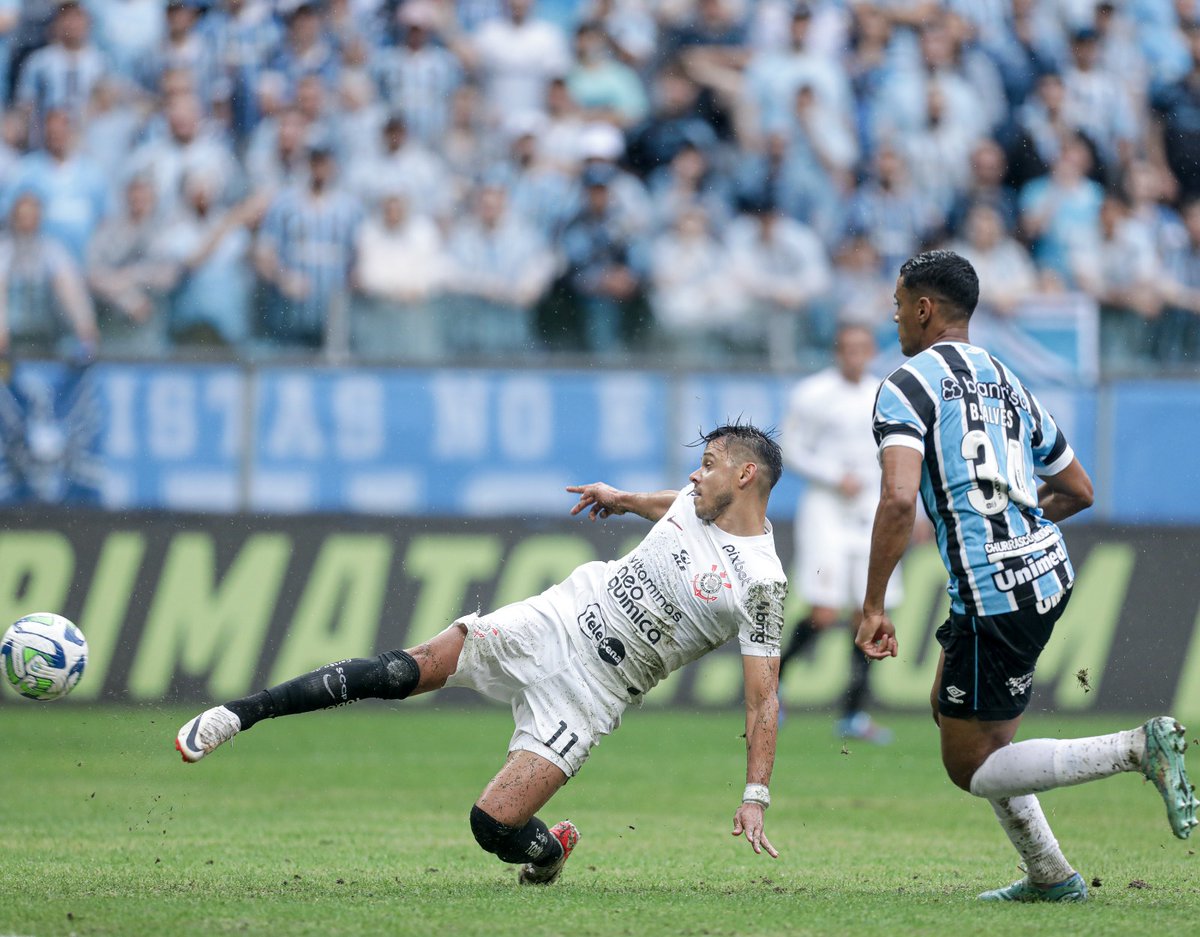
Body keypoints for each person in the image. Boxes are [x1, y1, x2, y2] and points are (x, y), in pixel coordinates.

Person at [176, 424, 789, 883]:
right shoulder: (698, 499)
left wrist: (754, 796)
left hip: (594, 694)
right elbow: (671, 506)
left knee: (492, 826)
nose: (692, 477)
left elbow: (764, 699)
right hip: (556, 621)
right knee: (404, 670)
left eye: (706, 465)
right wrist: (621, 497)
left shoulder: (761, 583)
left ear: (743, 478)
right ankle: (241, 714)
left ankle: (547, 853)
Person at [857, 249, 1197, 903]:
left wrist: (873, 604)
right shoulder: (1006, 378)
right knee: (951, 709)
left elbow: (898, 500)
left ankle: (1137, 747)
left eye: (898, 303)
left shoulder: (906, 384)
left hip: (992, 586)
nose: (894, 315)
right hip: (1043, 569)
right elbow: (1078, 487)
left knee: (971, 764)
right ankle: (1049, 875)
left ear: (924, 309)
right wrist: (1014, 518)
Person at [778, 323, 899, 743]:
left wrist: (910, 509)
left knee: (866, 613)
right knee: (823, 612)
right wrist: (833, 476)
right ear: (837, 351)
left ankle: (853, 714)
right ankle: (774, 681)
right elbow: (791, 448)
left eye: (862, 348)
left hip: (869, 507)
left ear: (871, 351)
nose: (855, 355)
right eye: (848, 348)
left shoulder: (884, 393)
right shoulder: (813, 394)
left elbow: (898, 455)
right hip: (826, 507)